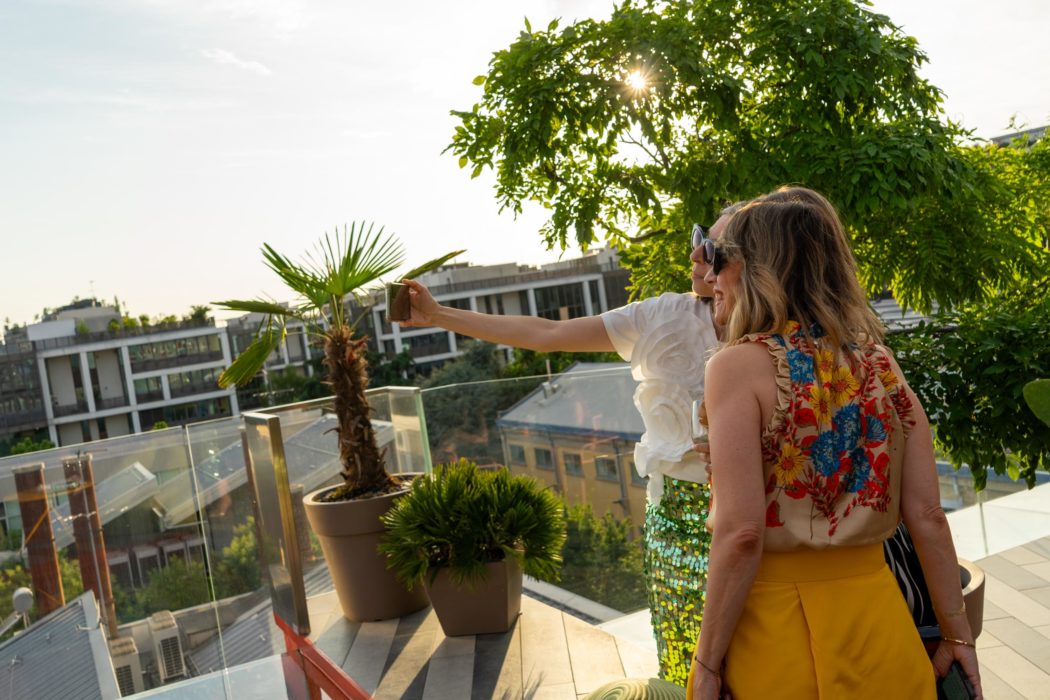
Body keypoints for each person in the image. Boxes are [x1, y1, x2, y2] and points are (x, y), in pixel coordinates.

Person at [399, 205, 742, 685]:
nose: (694, 254)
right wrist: (437, 314)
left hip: (749, 521)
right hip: (673, 522)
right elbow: (548, 334)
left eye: (709, 246)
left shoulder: (786, 337)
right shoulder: (663, 316)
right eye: (697, 238)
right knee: (684, 662)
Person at [689, 187, 981, 699]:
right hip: (883, 627)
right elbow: (928, 515)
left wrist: (707, 664)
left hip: (777, 636)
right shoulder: (878, 363)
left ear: (759, 268)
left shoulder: (735, 367)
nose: (711, 276)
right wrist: (958, 635)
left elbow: (742, 534)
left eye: (720, 259)